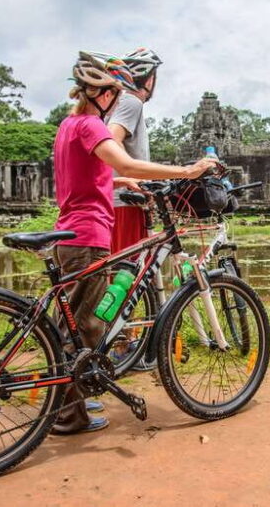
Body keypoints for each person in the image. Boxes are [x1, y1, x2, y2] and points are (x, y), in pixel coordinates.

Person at [50, 51, 217, 434]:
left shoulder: (67, 125)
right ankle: (68, 416)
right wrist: (187, 170)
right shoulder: (91, 125)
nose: (115, 102)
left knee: (70, 324)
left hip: (69, 231)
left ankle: (66, 397)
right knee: (88, 325)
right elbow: (123, 161)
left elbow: (89, 174)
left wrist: (122, 182)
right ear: (103, 94)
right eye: (113, 94)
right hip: (89, 234)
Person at [105, 48, 163, 371]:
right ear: (149, 78)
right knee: (127, 276)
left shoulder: (119, 103)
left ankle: (125, 343)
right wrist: (130, 178)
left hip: (121, 202)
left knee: (122, 275)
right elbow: (113, 141)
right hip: (125, 204)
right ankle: (123, 347)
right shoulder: (131, 102)